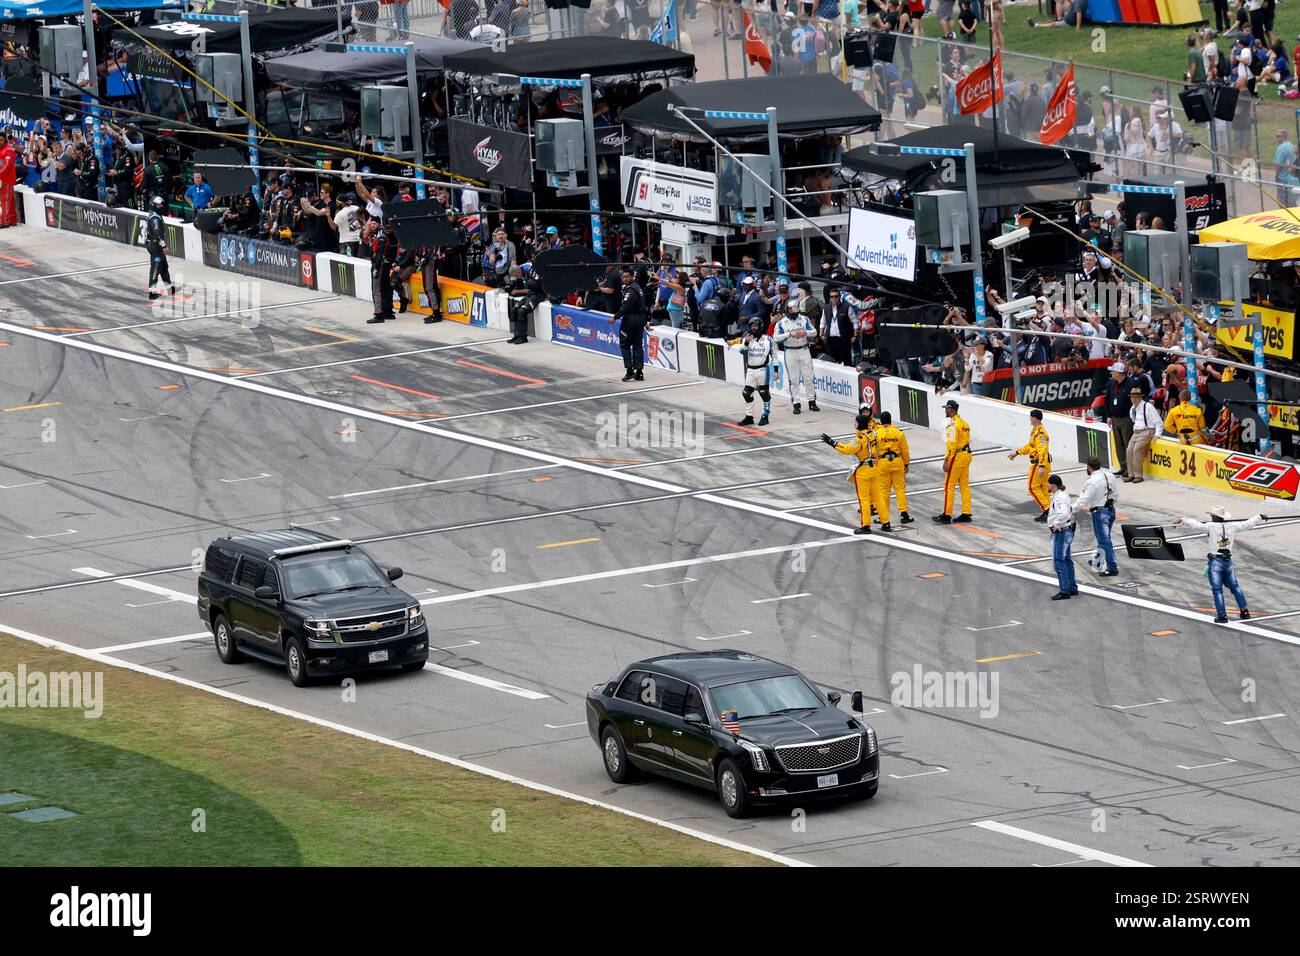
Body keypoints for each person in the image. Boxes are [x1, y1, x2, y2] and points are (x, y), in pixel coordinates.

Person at [1174, 507, 1270, 622]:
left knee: (1217, 590)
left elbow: (1196, 524)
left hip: (1216, 563)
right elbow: (1247, 524)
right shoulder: (1233, 526)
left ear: (1216, 517)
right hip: (1228, 562)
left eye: (1212, 515)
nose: (1211, 517)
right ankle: (1244, 612)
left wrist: (1182, 520)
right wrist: (1259, 516)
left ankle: (1222, 616)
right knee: (1235, 587)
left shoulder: (1210, 526)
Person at [822, 413, 884, 535]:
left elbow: (847, 450)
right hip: (875, 468)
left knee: (864, 500)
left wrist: (832, 443)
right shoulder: (874, 434)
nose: (854, 424)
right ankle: (886, 522)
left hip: (864, 470)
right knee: (878, 497)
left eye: (855, 422)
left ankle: (866, 526)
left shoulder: (860, 438)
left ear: (859, 424)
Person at [1075, 457, 1119, 577]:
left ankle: (1112, 567)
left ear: (1089, 467)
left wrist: (1071, 510)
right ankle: (1098, 560)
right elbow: (1116, 494)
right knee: (1104, 538)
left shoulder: (1092, 481)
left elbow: (1083, 500)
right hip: (1111, 510)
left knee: (1105, 541)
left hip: (1100, 512)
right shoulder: (1110, 476)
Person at [773, 304, 820, 415]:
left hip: (804, 349)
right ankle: (796, 404)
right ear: (787, 310)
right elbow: (775, 338)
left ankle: (812, 401)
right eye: (791, 309)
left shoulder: (804, 319)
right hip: (790, 351)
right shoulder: (781, 323)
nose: (794, 311)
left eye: (795, 308)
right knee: (793, 379)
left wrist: (805, 333)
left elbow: (814, 331)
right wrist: (789, 334)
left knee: (808, 376)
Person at [934, 398, 973, 523]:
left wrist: (947, 461)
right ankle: (966, 513)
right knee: (964, 485)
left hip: (957, 456)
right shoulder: (965, 423)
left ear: (951, 409)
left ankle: (946, 515)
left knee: (949, 486)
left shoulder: (952, 426)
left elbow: (952, 445)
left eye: (946, 408)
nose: (945, 410)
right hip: (967, 455)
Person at [1009, 408, 1052, 521]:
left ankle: (1047, 510)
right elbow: (1030, 446)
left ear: (1034, 418)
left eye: (1030, 417)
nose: (1029, 419)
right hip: (1042, 463)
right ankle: (1049, 512)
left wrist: (1041, 466)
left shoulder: (1040, 433)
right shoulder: (1036, 431)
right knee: (1043, 489)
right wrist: (1018, 452)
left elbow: (1042, 450)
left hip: (1039, 464)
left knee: (1032, 487)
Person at [609, 266, 647, 382]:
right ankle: (639, 372)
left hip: (630, 321)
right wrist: (646, 322)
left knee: (624, 345)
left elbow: (625, 306)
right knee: (637, 345)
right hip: (640, 320)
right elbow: (643, 307)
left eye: (626, 277)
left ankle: (630, 371)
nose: (624, 279)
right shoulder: (638, 288)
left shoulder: (631, 290)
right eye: (623, 277)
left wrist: (615, 317)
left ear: (632, 276)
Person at [874, 410, 912, 527]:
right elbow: (905, 450)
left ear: (881, 421)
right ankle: (904, 514)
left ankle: (883, 516)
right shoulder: (898, 433)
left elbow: (873, 451)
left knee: (883, 490)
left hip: (882, 462)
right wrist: (906, 464)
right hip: (897, 461)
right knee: (900, 489)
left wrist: (875, 465)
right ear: (890, 420)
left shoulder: (876, 433)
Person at [1046, 474, 1079, 600]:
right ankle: (1072, 587)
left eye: (1049, 484)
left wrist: (1056, 524)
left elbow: (1064, 514)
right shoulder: (1061, 495)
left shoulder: (1059, 497)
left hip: (1062, 531)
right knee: (1067, 560)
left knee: (1059, 561)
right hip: (1067, 530)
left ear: (1053, 485)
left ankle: (1064, 590)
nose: (1047, 486)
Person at [738, 317, 774, 427]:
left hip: (763, 369)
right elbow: (741, 351)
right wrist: (746, 343)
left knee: (764, 393)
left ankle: (765, 416)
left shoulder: (768, 340)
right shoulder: (747, 338)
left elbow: (775, 355)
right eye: (751, 326)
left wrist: (776, 371)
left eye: (755, 326)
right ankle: (749, 417)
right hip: (750, 369)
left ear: (760, 326)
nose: (753, 328)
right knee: (746, 393)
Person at [1127, 386, 1161, 482]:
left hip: (1147, 431)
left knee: (1136, 450)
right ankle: (1131, 474)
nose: (1133, 399)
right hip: (1137, 432)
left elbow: (1158, 422)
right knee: (1129, 450)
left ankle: (1138, 475)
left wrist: (1157, 435)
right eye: (1132, 397)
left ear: (1140, 397)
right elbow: (1133, 420)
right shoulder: (1133, 408)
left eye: (1135, 397)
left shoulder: (1148, 407)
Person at [366, 219, 398, 323]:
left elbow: (379, 253)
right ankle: (387, 312)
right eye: (371, 223)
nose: (372, 225)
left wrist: (376, 267)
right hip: (385, 264)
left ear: (379, 224)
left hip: (380, 265)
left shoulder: (381, 236)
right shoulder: (377, 235)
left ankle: (378, 314)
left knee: (377, 289)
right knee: (385, 287)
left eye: (374, 223)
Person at [144, 196, 175, 300]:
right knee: (156, 268)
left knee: (163, 266)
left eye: (161, 204)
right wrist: (164, 246)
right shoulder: (155, 219)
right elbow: (157, 234)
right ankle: (152, 292)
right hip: (155, 245)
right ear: (154, 205)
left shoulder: (157, 215)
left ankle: (169, 288)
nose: (161, 206)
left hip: (156, 244)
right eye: (159, 205)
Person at [0, 132, 16, 228]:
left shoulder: (8, 150)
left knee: (5, 200)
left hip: (7, 180)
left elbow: (6, 166)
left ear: (5, 140)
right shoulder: (1, 150)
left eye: (1, 140)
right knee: (9, 201)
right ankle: (12, 220)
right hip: (2, 180)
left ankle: (4, 222)